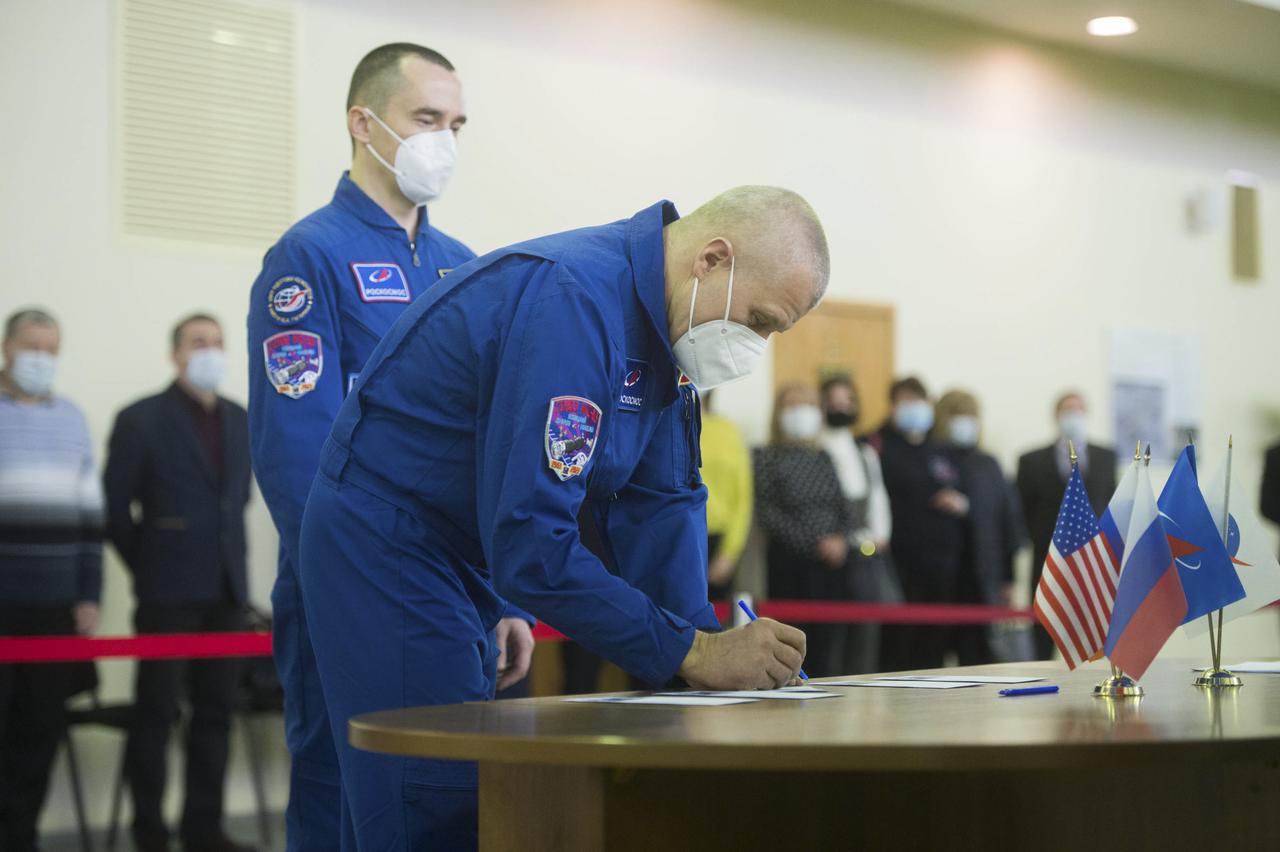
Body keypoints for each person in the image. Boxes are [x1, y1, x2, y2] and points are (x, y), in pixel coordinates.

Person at [298, 186, 826, 850]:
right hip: (388, 545)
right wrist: (691, 653)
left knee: (440, 796)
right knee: (431, 798)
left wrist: (708, 658)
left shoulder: (669, 335)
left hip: (467, 547)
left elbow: (661, 507)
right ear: (712, 260)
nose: (758, 344)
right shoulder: (575, 303)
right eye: (760, 320)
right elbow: (531, 545)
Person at [246, 43, 483, 850]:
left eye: (456, 124)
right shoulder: (309, 255)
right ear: (364, 122)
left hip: (449, 594)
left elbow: (481, 447)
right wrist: (346, 576)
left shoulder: (466, 270)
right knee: (337, 788)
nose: (443, 141)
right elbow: (294, 442)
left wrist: (506, 593)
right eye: (426, 119)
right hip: (344, 583)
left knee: (439, 798)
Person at [104, 315, 254, 852]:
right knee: (156, 715)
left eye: (217, 343)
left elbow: (237, 503)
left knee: (215, 715)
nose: (210, 352)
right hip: (166, 592)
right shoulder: (141, 419)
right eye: (198, 343)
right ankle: (149, 833)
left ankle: (203, 828)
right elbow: (117, 511)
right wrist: (147, 566)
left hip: (227, 593)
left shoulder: (240, 419)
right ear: (176, 355)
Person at [0, 308, 103, 852]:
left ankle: (22, 839)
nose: (41, 359)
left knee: (37, 738)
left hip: (55, 608)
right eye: (31, 347)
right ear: (6, 349)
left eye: (51, 349)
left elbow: (92, 520)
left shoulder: (73, 419)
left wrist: (90, 595)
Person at [755, 383, 857, 677]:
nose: (801, 412)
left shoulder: (823, 456)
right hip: (791, 564)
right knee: (793, 644)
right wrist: (814, 543)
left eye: (808, 404)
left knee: (829, 646)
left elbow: (844, 507)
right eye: (793, 404)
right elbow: (768, 513)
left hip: (834, 564)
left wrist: (840, 541)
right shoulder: (766, 456)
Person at [870, 376, 967, 671]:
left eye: (918, 400)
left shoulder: (938, 448)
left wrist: (958, 502)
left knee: (934, 644)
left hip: (941, 563)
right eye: (905, 401)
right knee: (899, 644)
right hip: (899, 561)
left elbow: (956, 485)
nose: (913, 408)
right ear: (893, 406)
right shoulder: (877, 445)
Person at [1015, 391, 1116, 660]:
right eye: (1067, 410)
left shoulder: (1106, 457)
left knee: (1092, 635)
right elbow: (1022, 511)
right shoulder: (1030, 460)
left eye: (1078, 410)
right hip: (1046, 559)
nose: (1073, 416)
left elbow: (1111, 505)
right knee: (1042, 636)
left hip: (1093, 561)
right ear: (1056, 416)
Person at [931, 390, 1025, 666]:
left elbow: (1008, 522)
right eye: (957, 416)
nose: (964, 424)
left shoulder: (988, 464)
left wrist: (1008, 580)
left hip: (981, 576)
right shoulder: (932, 459)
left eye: (970, 417)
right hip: (940, 580)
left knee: (980, 658)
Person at [818, 374, 899, 675]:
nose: (841, 405)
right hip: (829, 556)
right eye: (833, 400)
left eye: (847, 399)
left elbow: (878, 498)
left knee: (865, 641)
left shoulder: (865, 452)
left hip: (864, 556)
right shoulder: (816, 449)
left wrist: (879, 536)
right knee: (830, 645)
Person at [700, 390, 753, 600]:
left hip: (715, 539)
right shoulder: (657, 424)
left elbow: (742, 499)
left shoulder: (727, 431)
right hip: (668, 536)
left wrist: (728, 553)